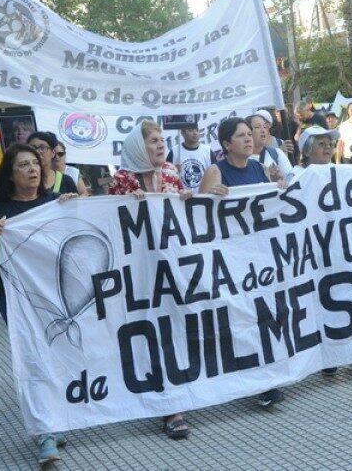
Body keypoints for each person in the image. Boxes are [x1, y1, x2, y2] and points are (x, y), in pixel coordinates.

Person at [0, 143, 74, 465]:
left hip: (55, 294)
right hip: (15, 297)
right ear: (11, 174)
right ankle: (45, 432)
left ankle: (56, 417)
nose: (32, 169)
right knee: (32, 359)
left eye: (35, 164)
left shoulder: (53, 203)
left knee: (56, 355)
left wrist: (74, 209)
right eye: (23, 165)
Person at [108, 120, 193, 439]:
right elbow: (111, 223)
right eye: (153, 141)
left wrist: (187, 198)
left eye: (161, 140)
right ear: (136, 147)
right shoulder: (123, 180)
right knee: (150, 332)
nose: (160, 145)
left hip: (172, 272)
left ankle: (176, 401)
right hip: (140, 277)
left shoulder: (171, 172)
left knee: (174, 331)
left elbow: (181, 221)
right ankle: (165, 404)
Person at [199, 117, 287, 407]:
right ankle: (256, 380)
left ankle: (268, 377)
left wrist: (278, 184)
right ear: (226, 144)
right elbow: (197, 216)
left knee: (266, 315)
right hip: (231, 261)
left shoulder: (259, 169)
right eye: (241, 136)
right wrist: (211, 196)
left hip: (260, 257)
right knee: (244, 319)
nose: (249, 139)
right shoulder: (216, 171)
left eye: (250, 134)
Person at [291, 126, 352, 372]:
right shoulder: (296, 175)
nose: (328, 148)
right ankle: (327, 356)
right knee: (318, 300)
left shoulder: (341, 174)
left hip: (338, 248)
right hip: (311, 250)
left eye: (330, 144)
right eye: (321, 144)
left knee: (347, 295)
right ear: (307, 151)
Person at [166, 121, 216, 193]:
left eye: (197, 130)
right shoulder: (174, 151)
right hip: (180, 198)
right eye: (190, 130)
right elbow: (165, 175)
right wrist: (174, 171)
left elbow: (215, 175)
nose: (195, 133)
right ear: (182, 133)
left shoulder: (207, 151)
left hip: (203, 197)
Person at [249, 110, 294, 182]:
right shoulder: (240, 158)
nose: (263, 130)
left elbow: (292, 180)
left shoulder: (276, 153)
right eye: (257, 127)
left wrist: (280, 179)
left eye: (265, 126)